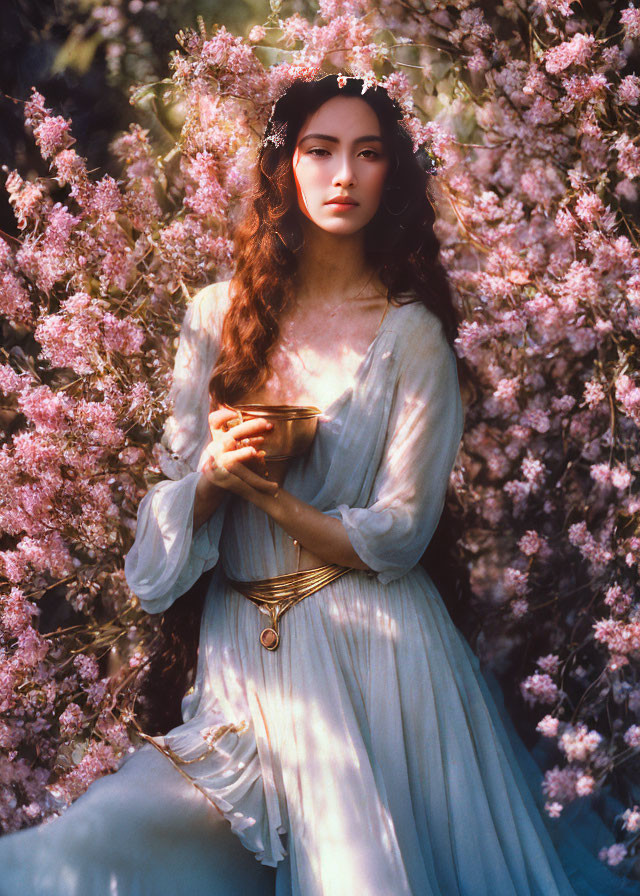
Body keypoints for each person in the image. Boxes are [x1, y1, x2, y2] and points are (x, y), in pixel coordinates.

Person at [0, 73, 638, 896]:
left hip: (382, 662)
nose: (344, 175)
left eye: (367, 155)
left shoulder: (414, 337)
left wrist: (265, 494)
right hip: (243, 675)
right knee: (97, 837)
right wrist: (210, 482)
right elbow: (155, 567)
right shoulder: (215, 316)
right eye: (321, 151)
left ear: (391, 176)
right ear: (284, 169)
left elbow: (399, 535)